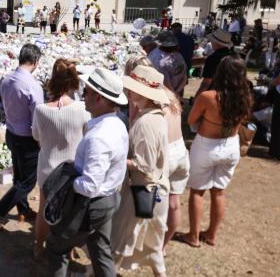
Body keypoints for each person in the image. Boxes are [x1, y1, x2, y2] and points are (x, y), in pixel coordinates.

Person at [45, 68, 128, 277]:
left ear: (99, 98)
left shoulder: (98, 137)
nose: (83, 97)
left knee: (56, 248)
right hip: (108, 199)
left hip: (89, 205)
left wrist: (68, 182)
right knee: (101, 251)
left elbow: (89, 186)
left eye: (87, 93)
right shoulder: (117, 124)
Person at [176, 55, 250, 248]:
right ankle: (211, 235)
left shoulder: (208, 97)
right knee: (219, 192)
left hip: (206, 145)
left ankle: (193, 236)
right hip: (231, 145)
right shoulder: (246, 97)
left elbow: (191, 120)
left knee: (197, 192)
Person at [113, 65, 170, 277]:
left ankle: (97, 272)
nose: (128, 91)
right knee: (152, 245)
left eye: (132, 87)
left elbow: (144, 165)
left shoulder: (146, 123)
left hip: (143, 191)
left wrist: (117, 158)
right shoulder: (155, 116)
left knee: (121, 239)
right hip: (154, 191)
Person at [31, 59, 89, 258]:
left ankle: (38, 247)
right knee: (69, 212)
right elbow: (86, 137)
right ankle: (68, 248)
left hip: (47, 167)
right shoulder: (82, 109)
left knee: (43, 211)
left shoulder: (41, 110)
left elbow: (36, 137)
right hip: (71, 169)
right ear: (74, 81)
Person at [0, 44, 43, 230]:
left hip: (11, 134)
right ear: (35, 62)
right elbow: (37, 119)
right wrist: (41, 141)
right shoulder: (33, 86)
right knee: (27, 181)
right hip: (28, 139)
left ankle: (23, 210)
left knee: (19, 177)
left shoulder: (6, 80)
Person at [162, 88, 190, 255]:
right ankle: (163, 245)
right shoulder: (170, 94)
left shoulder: (147, 96)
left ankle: (152, 244)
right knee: (174, 204)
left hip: (166, 154)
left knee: (150, 202)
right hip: (180, 150)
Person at [151, 31, 188, 99]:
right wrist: (177, 92)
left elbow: (166, 83)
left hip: (165, 96)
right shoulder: (179, 56)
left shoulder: (162, 62)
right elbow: (185, 77)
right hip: (177, 92)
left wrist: (174, 94)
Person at [196, 28, 233, 97]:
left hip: (215, 95)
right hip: (232, 95)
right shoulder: (235, 57)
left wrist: (196, 98)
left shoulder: (213, 58)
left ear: (216, 42)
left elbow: (206, 83)